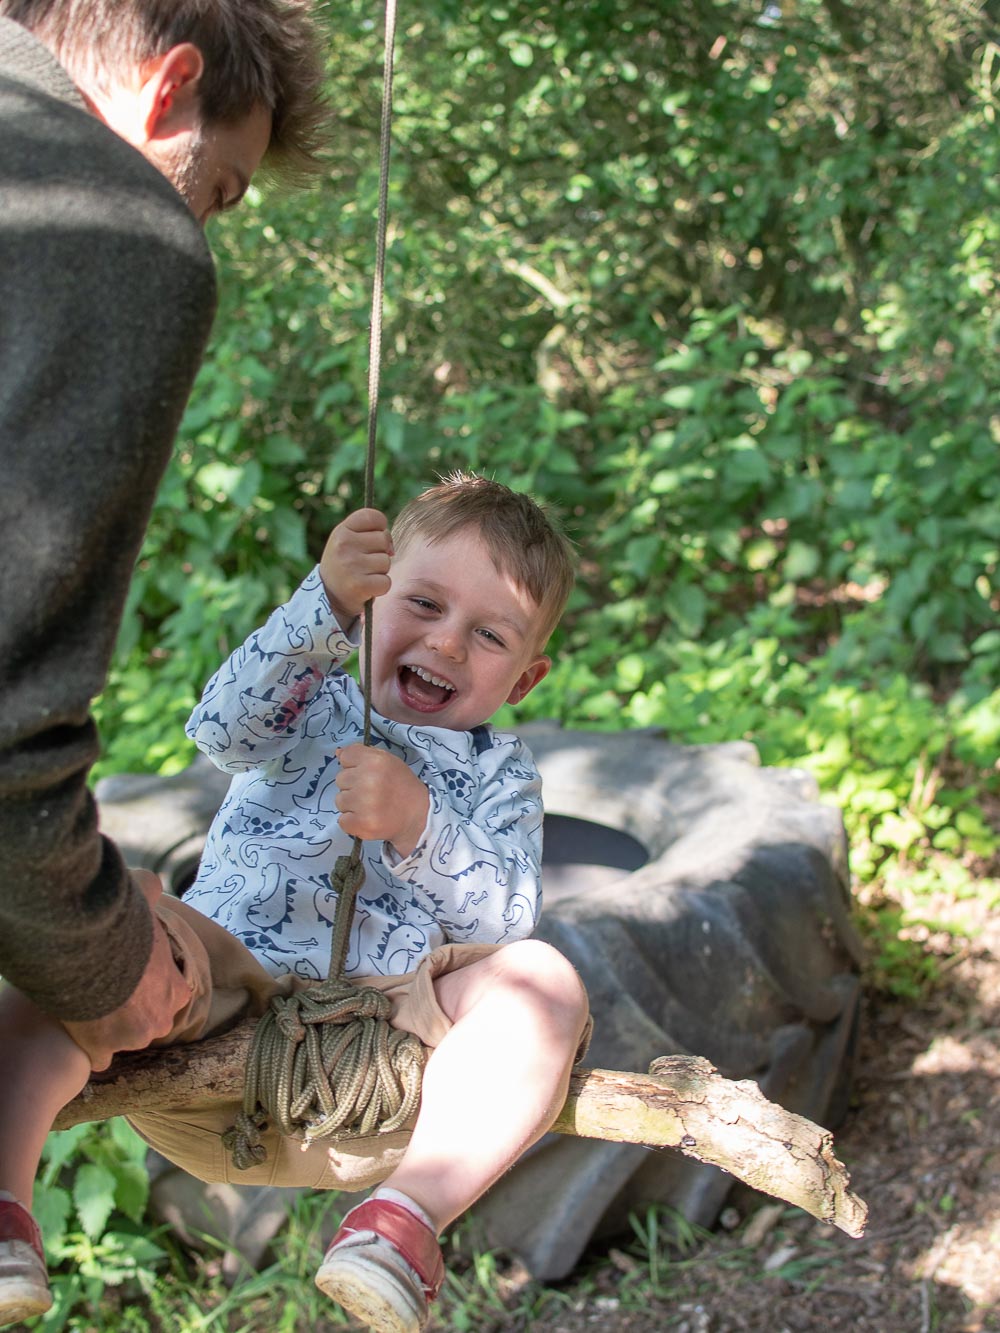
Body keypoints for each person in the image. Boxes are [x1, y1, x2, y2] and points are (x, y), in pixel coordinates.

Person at [0, 475, 592, 1333]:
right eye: (422, 602)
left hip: (375, 1055)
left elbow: (502, 916)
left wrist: (417, 823)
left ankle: (400, 1226)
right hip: (215, 993)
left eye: (489, 634)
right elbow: (219, 729)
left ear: (526, 677)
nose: (448, 643)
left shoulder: (502, 775)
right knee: (84, 934)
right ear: (376, 595)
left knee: (541, 981)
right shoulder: (312, 691)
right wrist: (323, 607)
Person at [0, 2, 327, 1063]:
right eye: (220, 192)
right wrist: (103, 958)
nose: (203, 224)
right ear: (168, 85)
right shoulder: (103, 215)